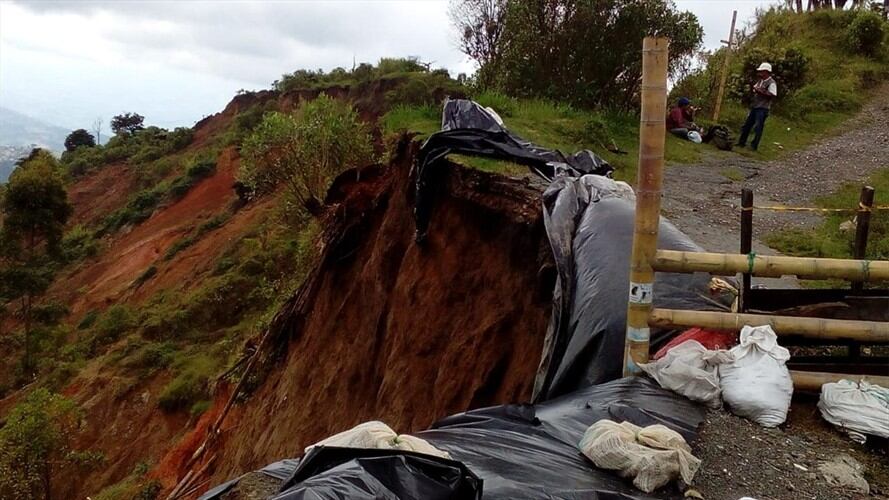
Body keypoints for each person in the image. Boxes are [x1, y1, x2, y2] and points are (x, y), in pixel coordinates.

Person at [737, 62, 777, 151]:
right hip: (755, 106)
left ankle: (754, 146)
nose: (760, 73)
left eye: (761, 71)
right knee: (747, 125)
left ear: (766, 72)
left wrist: (761, 92)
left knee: (758, 127)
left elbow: (773, 95)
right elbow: (755, 89)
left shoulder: (772, 83)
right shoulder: (760, 81)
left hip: (763, 108)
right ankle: (741, 142)